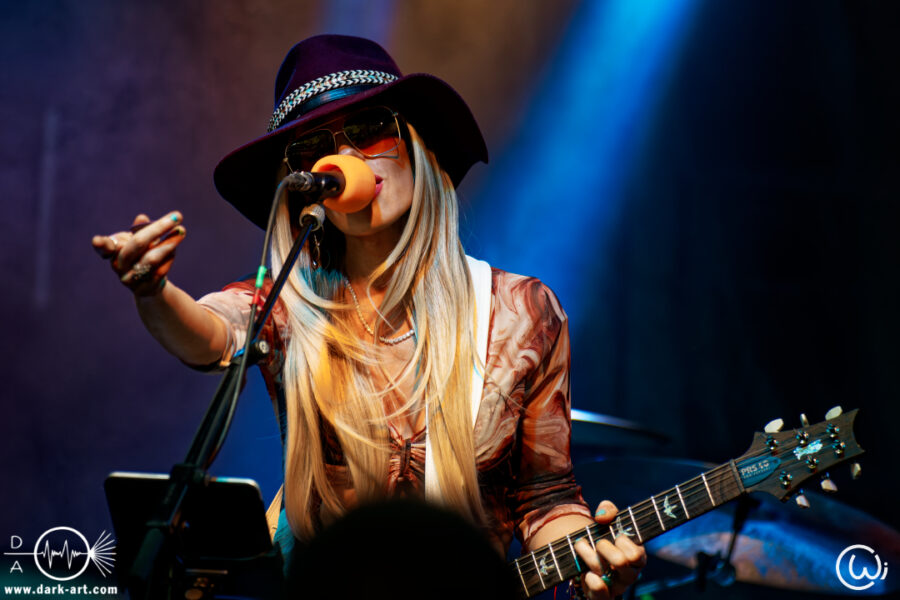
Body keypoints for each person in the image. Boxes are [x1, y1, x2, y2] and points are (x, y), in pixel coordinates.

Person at [91, 34, 646, 599]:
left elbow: (546, 497)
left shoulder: (521, 312)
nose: (345, 158)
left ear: (415, 143)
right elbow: (211, 334)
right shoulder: (292, 305)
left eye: (368, 128)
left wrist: (593, 563)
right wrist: (153, 291)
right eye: (315, 148)